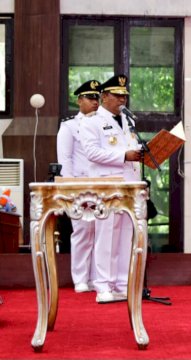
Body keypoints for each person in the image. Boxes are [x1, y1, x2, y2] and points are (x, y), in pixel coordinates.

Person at [80, 74, 143, 303]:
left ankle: (121, 284)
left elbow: (134, 151)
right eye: (117, 95)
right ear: (104, 97)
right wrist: (123, 155)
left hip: (128, 186)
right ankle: (102, 286)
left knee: (126, 235)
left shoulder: (128, 121)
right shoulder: (91, 122)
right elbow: (92, 153)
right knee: (105, 236)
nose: (122, 100)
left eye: (124, 95)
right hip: (107, 185)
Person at [56, 79, 101, 293]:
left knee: (101, 234)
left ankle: (97, 278)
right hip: (80, 186)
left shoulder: (104, 124)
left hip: (102, 186)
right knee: (82, 232)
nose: (95, 102)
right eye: (90, 98)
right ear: (79, 100)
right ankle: (80, 278)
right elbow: (65, 160)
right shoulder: (69, 126)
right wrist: (71, 191)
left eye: (97, 98)